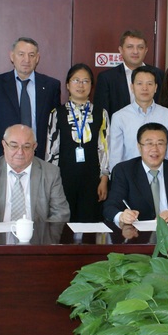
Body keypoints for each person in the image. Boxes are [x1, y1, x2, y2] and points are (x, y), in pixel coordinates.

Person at [0, 124, 70, 226]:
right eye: (14, 146)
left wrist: (42, 233)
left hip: (37, 234)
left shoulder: (50, 173)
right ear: (4, 145)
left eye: (26, 147)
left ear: (34, 147)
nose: (20, 152)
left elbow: (61, 212)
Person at [44, 64, 110, 222]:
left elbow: (104, 149)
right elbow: (51, 152)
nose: (81, 85)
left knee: (90, 224)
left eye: (86, 81)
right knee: (63, 224)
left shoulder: (101, 113)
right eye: (76, 80)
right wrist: (52, 184)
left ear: (91, 86)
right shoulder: (57, 114)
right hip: (63, 179)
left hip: (92, 180)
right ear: (67, 85)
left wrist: (104, 179)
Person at [0, 37, 61, 161]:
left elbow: (55, 126)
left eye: (31, 55)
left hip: (40, 157)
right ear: (12, 56)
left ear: (37, 58)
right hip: (4, 157)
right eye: (21, 54)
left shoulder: (51, 86)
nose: (26, 60)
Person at [104, 123, 168, 225]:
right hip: (136, 231)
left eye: (160, 144)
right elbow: (110, 207)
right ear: (139, 147)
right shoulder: (124, 171)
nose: (155, 149)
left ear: (166, 146)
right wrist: (121, 216)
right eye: (149, 143)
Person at [108, 66, 168, 171]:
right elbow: (115, 156)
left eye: (149, 84)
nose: (145, 88)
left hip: (161, 175)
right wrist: (117, 178)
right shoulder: (119, 117)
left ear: (156, 87)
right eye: (140, 83)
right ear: (132, 87)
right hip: (130, 176)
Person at [94, 30, 164, 117]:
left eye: (140, 47)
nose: (135, 51)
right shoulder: (107, 78)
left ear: (146, 50)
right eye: (130, 47)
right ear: (121, 50)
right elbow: (102, 115)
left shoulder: (159, 75)